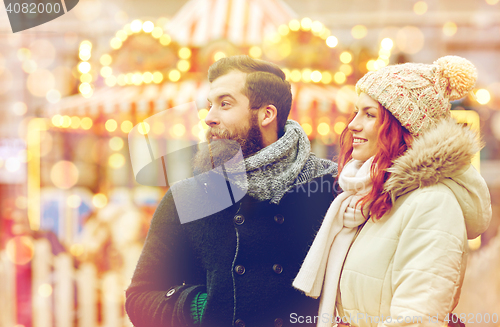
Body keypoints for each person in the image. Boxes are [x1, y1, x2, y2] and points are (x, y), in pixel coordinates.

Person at [125, 55, 339, 327]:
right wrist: (203, 307)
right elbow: (140, 298)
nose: (209, 118)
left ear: (266, 114)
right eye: (209, 106)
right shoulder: (189, 196)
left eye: (224, 104)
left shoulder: (329, 188)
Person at [293, 56, 492, 327]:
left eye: (370, 114)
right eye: (356, 111)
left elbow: (415, 320)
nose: (353, 124)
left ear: (405, 127)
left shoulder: (432, 204)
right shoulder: (367, 196)